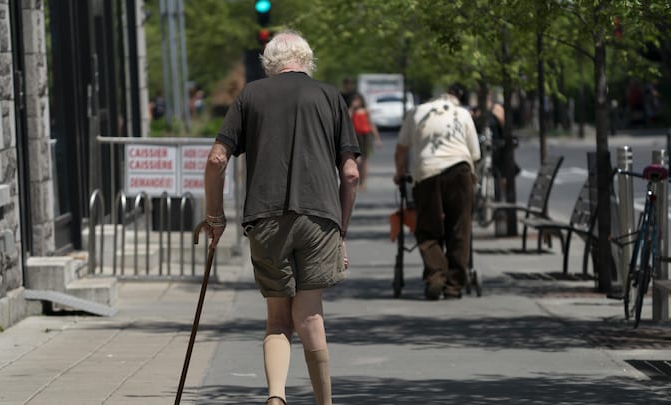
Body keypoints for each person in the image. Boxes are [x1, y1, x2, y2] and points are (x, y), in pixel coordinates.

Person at [203, 30, 360, 405]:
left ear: (268, 64)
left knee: (277, 319)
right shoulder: (330, 97)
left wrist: (215, 216)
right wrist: (341, 231)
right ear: (307, 60)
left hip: (267, 215)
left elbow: (215, 160)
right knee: (310, 316)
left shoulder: (250, 96)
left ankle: (276, 397)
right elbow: (351, 173)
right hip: (320, 216)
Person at [394, 84, 480, 300]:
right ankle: (453, 285)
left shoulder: (417, 113)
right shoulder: (462, 114)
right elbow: (474, 154)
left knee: (428, 228)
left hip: (427, 172)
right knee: (460, 228)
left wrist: (400, 173)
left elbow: (402, 149)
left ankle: (435, 276)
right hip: (460, 171)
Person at [349, 93, 382, 190]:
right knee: (357, 160)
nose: (356, 102)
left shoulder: (366, 111)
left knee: (365, 160)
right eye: (355, 100)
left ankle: (363, 182)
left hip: (366, 136)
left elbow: (371, 125)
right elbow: (347, 118)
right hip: (356, 136)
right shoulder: (352, 111)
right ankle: (358, 180)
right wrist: (352, 107)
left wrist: (377, 138)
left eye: (358, 100)